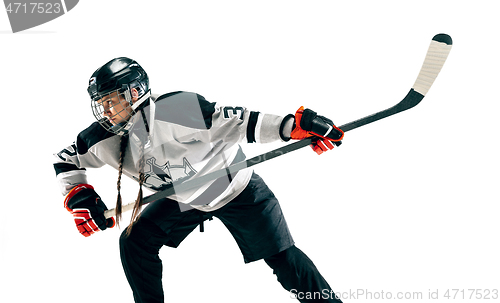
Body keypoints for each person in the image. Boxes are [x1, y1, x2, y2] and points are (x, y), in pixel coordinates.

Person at [53, 57, 344, 303]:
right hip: (182, 199)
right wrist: (81, 195)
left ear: (134, 92)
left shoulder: (176, 109)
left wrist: (290, 127)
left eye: (111, 101)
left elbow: (239, 122)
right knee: (134, 243)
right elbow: (65, 159)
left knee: (284, 260)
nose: (105, 111)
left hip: (235, 188)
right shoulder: (100, 138)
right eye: (101, 104)